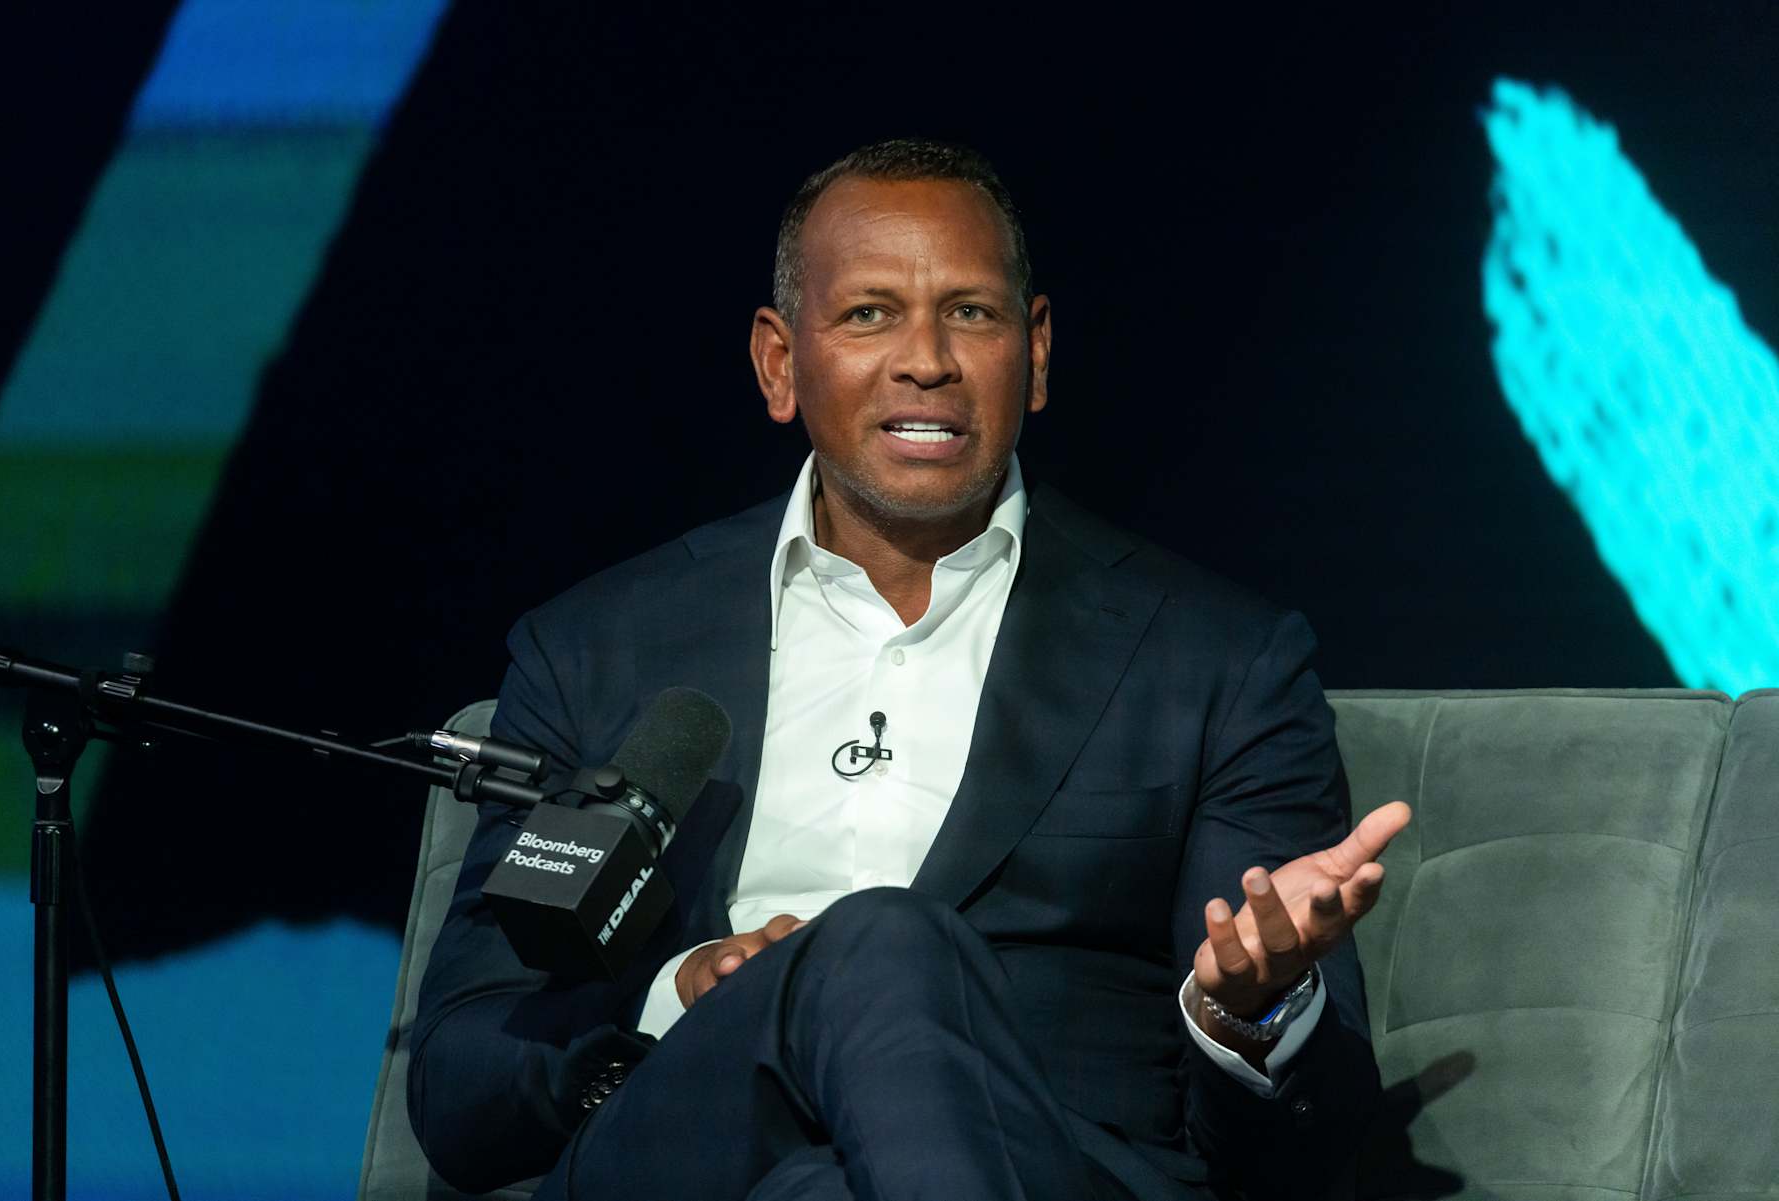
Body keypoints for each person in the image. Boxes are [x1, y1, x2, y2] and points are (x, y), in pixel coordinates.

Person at [409, 139, 1411, 1201]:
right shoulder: (598, 649)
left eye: (970, 312)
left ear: (1036, 352)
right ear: (779, 363)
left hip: (1057, 1171)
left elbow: (1313, 1147)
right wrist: (678, 995)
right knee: (873, 947)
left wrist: (1244, 1009)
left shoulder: (1212, 660)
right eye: (869, 313)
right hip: (684, 1155)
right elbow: (464, 1081)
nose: (925, 359)